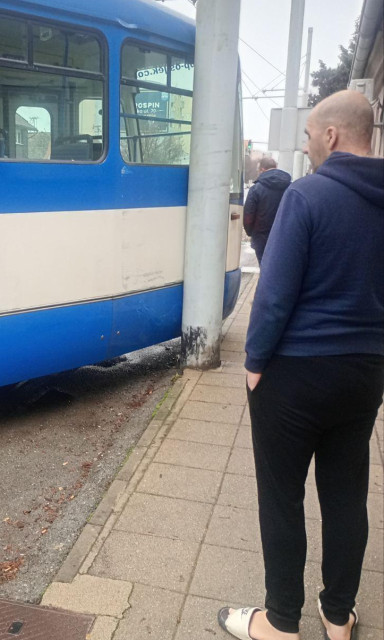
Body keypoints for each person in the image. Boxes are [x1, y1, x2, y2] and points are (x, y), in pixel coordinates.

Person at [218, 89, 384, 640]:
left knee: (282, 495)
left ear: (332, 136)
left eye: (310, 136)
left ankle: (279, 621)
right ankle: (339, 616)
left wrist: (255, 362)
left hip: (295, 374)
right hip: (364, 374)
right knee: (345, 496)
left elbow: (275, 293)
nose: (308, 145)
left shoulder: (308, 196)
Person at [243, 156, 291, 266]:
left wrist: (250, 232)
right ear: (276, 167)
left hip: (261, 238)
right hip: (284, 237)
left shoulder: (256, 189)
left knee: (264, 268)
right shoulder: (290, 187)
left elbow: (248, 216)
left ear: (262, 170)